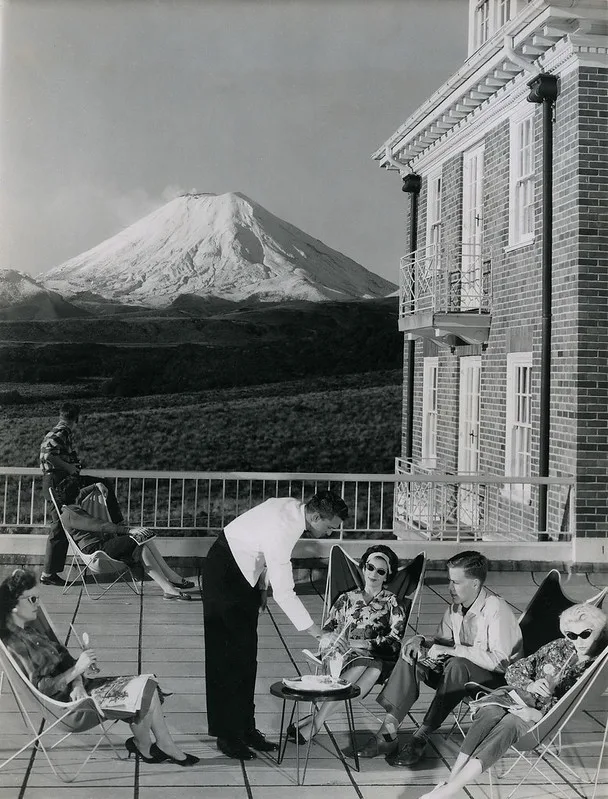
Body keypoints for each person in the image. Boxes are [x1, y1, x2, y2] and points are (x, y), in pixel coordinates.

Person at [202, 490, 349, 760]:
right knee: (225, 658)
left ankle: (245, 728)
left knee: (246, 656)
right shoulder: (284, 527)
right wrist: (318, 633)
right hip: (224, 574)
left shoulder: (295, 510)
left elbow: (267, 554)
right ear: (315, 516)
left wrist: (260, 586)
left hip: (246, 573)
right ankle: (227, 735)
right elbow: (285, 593)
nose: (329, 533)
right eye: (329, 527)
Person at [0, 569, 199, 766]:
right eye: (33, 599)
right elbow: (42, 688)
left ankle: (158, 745)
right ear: (14, 604)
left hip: (81, 691)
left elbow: (66, 660)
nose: (39, 605)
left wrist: (77, 682)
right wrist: (77, 671)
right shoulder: (16, 645)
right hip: (70, 710)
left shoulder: (33, 630)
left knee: (148, 685)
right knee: (145, 690)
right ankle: (145, 745)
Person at [419, 603, 608, 798]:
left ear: (598, 631)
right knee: (490, 712)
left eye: (585, 634)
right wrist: (530, 685)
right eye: (572, 635)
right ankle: (451, 781)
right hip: (515, 696)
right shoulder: (559, 647)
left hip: (541, 718)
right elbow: (514, 670)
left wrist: (536, 714)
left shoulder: (594, 667)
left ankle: (448, 790)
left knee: (509, 724)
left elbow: (569, 705)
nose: (579, 641)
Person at [358, 550, 523, 766]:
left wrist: (456, 651)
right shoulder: (455, 608)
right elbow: (441, 643)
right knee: (412, 656)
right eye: (449, 581)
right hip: (458, 675)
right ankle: (387, 734)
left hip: (496, 684)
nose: (449, 587)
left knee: (457, 664)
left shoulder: (496, 609)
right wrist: (420, 641)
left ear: (474, 584)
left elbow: (502, 663)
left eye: (456, 582)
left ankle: (421, 737)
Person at [287, 544, 406, 743]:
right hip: (342, 656)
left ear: (387, 576)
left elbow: (395, 641)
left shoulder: (393, 603)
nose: (373, 574)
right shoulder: (346, 599)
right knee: (367, 669)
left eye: (381, 571)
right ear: (363, 567)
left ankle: (315, 723)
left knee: (373, 668)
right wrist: (332, 641)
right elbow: (328, 630)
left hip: (378, 656)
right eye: (370, 567)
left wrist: (364, 644)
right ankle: (315, 722)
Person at [59, 485, 195, 600]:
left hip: (102, 545)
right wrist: (127, 530)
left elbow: (80, 493)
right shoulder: (71, 514)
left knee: (143, 538)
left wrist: (96, 485)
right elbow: (100, 526)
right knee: (139, 539)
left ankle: (170, 582)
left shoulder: (69, 508)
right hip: (95, 550)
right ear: (75, 495)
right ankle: (170, 583)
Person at [39, 403, 122, 586]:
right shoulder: (62, 432)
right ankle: (48, 574)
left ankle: (49, 573)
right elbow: (47, 455)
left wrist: (71, 465)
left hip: (58, 480)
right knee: (59, 527)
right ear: (76, 418)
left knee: (60, 526)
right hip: (57, 481)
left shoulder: (59, 431)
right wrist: (69, 467)